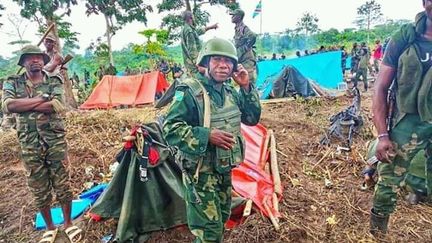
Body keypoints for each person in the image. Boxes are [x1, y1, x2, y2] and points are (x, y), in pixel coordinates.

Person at [163, 38, 261, 242]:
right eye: (217, 59)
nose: (223, 65)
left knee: (221, 221)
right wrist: (206, 135)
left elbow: (251, 118)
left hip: (224, 170)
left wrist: (245, 87)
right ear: (205, 62)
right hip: (200, 174)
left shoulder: (228, 91)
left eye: (228, 61)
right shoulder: (190, 91)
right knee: (209, 232)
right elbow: (170, 129)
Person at [2, 45, 82, 242]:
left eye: (38, 57)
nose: (35, 60)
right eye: (30, 58)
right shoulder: (13, 82)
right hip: (29, 143)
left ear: (43, 60)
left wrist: (25, 105)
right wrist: (41, 99)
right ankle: (49, 227)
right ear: (23, 62)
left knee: (62, 182)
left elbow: (57, 105)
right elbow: (8, 105)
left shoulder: (54, 80)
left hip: (54, 140)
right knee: (38, 186)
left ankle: (68, 223)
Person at [370, 1, 432, 236]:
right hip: (408, 123)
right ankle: (377, 234)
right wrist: (382, 135)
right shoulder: (404, 39)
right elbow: (380, 88)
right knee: (389, 181)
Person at [181, 10, 218, 76]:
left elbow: (199, 31)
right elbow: (192, 50)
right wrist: (198, 65)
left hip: (191, 65)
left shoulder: (188, 29)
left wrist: (211, 27)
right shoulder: (189, 31)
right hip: (193, 67)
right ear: (191, 17)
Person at [231, 9, 257, 84]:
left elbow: (253, 36)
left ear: (239, 17)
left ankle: (252, 95)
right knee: (242, 79)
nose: (232, 17)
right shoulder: (237, 28)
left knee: (249, 81)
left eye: (234, 15)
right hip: (241, 59)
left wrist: (245, 48)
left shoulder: (243, 28)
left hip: (247, 59)